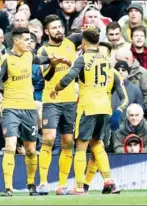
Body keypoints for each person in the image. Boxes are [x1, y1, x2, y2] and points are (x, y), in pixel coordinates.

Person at [0, 27, 68, 197]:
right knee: (10, 146)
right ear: (16, 41)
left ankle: (31, 183)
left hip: (30, 109)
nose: (29, 43)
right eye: (26, 40)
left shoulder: (29, 56)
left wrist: (52, 60)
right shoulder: (5, 60)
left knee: (31, 150)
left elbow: (40, 59)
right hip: (10, 108)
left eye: (30, 40)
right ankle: (8, 187)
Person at [50, 28, 128, 195]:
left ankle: (79, 187)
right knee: (97, 145)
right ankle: (109, 180)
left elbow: (68, 78)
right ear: (98, 43)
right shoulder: (107, 62)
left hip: (88, 107)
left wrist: (56, 88)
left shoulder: (83, 58)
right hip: (105, 108)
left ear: (84, 43)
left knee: (80, 147)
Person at [36, 14, 77, 195]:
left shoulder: (70, 44)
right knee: (49, 139)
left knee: (68, 143)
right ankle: (43, 182)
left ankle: (62, 185)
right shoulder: (43, 51)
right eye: (54, 28)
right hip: (51, 101)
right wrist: (53, 65)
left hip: (70, 101)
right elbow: (46, 77)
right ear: (47, 31)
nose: (58, 30)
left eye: (60, 27)